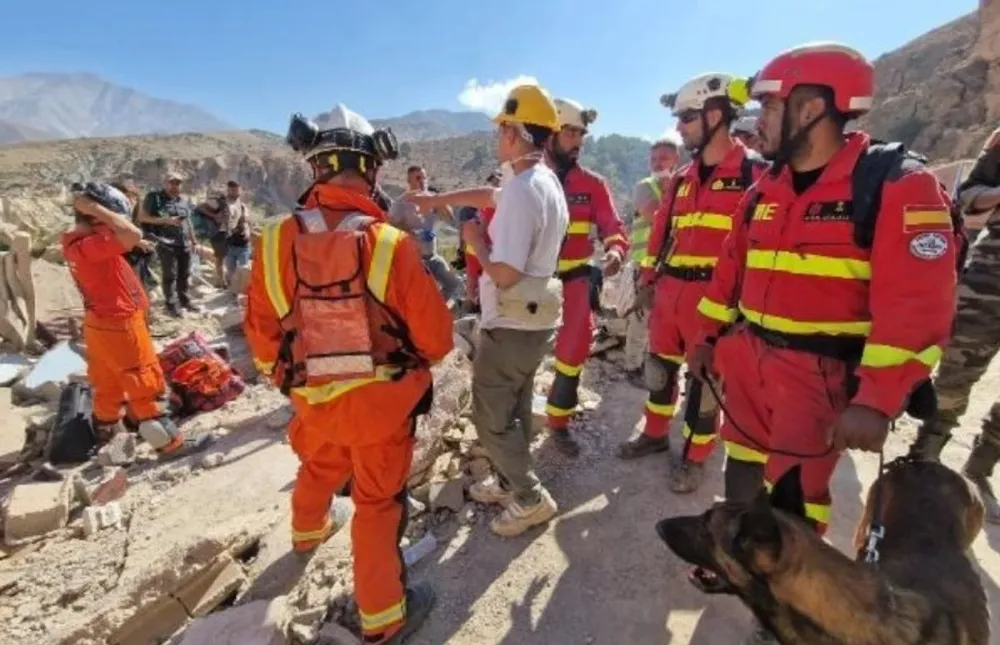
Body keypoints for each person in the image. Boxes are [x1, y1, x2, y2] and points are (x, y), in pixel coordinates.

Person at [688, 42, 958, 644]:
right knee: (744, 468)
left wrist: (878, 398)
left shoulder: (896, 186)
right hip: (750, 363)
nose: (758, 119)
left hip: (818, 379)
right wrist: (706, 336)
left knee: (798, 499)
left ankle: (795, 602)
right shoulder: (767, 189)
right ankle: (741, 566)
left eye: (770, 105)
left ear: (811, 107)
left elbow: (917, 306)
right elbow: (729, 268)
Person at [244, 104, 453, 644]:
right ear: (371, 169)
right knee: (378, 507)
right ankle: (384, 620)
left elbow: (262, 336)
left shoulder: (272, 242)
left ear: (314, 168)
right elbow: (437, 341)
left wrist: (293, 386)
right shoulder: (390, 246)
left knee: (318, 464)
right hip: (382, 411)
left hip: (313, 404)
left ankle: (307, 533)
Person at [401, 84, 569, 536]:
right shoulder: (542, 181)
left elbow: (507, 274)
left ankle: (531, 499)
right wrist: (440, 202)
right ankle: (510, 480)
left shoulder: (522, 190)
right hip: (535, 321)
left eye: (501, 130)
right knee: (512, 408)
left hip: (511, 323)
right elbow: (491, 196)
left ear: (514, 133)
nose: (496, 139)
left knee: (490, 417)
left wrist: (475, 241)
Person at [619, 73, 768, 496]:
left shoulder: (756, 174)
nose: (679, 126)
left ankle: (696, 457)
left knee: (706, 384)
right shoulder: (683, 178)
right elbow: (663, 230)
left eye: (687, 116)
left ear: (716, 114)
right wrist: (649, 278)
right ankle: (653, 434)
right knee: (659, 371)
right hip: (670, 295)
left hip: (716, 303)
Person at [62, 182, 213, 460]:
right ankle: (171, 445)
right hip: (121, 323)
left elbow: (124, 238)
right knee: (145, 382)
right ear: (96, 217)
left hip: (101, 323)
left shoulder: (78, 242)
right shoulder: (89, 245)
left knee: (108, 385)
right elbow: (130, 233)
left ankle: (110, 445)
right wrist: (94, 206)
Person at [907, 125, 1000, 522]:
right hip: (990, 281)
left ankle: (980, 468)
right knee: (955, 376)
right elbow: (966, 197)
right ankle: (923, 460)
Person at [544, 97, 629, 457]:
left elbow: (613, 226)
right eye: (570, 132)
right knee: (518, 354)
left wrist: (615, 250)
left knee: (573, 350)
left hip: (577, 280)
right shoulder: (526, 176)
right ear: (550, 133)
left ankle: (558, 425)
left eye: (581, 134)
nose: (577, 141)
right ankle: (506, 431)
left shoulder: (593, 183)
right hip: (531, 283)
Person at [621, 135, 682, 387]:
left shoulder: (683, 186)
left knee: (664, 320)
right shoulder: (644, 186)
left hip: (672, 267)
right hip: (645, 264)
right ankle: (632, 365)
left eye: (663, 158)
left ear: (676, 160)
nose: (657, 163)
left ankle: (656, 365)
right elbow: (660, 217)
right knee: (640, 318)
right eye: (654, 159)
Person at [390, 165, 462, 302]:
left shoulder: (432, 200)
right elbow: (390, 225)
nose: (422, 181)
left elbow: (449, 218)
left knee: (452, 283)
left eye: (424, 177)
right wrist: (410, 232)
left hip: (432, 256)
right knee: (420, 292)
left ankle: (437, 308)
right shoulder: (401, 203)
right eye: (418, 178)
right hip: (412, 258)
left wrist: (438, 201)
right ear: (409, 181)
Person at [138, 172, 200, 317]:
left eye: (178, 183)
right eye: (172, 183)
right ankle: (171, 304)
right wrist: (167, 220)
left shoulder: (182, 201)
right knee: (170, 274)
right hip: (165, 242)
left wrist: (194, 241)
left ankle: (185, 301)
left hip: (183, 242)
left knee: (184, 273)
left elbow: (188, 222)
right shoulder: (155, 198)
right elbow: (142, 217)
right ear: (165, 183)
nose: (175, 186)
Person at [460, 169, 503, 311]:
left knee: (476, 280)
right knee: (475, 280)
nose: (495, 182)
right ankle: (474, 305)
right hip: (485, 248)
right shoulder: (488, 205)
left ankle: (473, 305)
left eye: (498, 179)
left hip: (483, 247)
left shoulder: (497, 203)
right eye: (492, 180)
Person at [196, 180, 251, 288]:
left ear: (240, 189)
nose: (234, 191)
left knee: (232, 260)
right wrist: (214, 216)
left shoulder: (241, 205)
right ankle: (221, 281)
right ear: (228, 190)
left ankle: (232, 283)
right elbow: (200, 207)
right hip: (220, 234)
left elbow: (246, 221)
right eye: (232, 189)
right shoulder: (220, 201)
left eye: (236, 189)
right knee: (220, 258)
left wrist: (247, 230)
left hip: (234, 237)